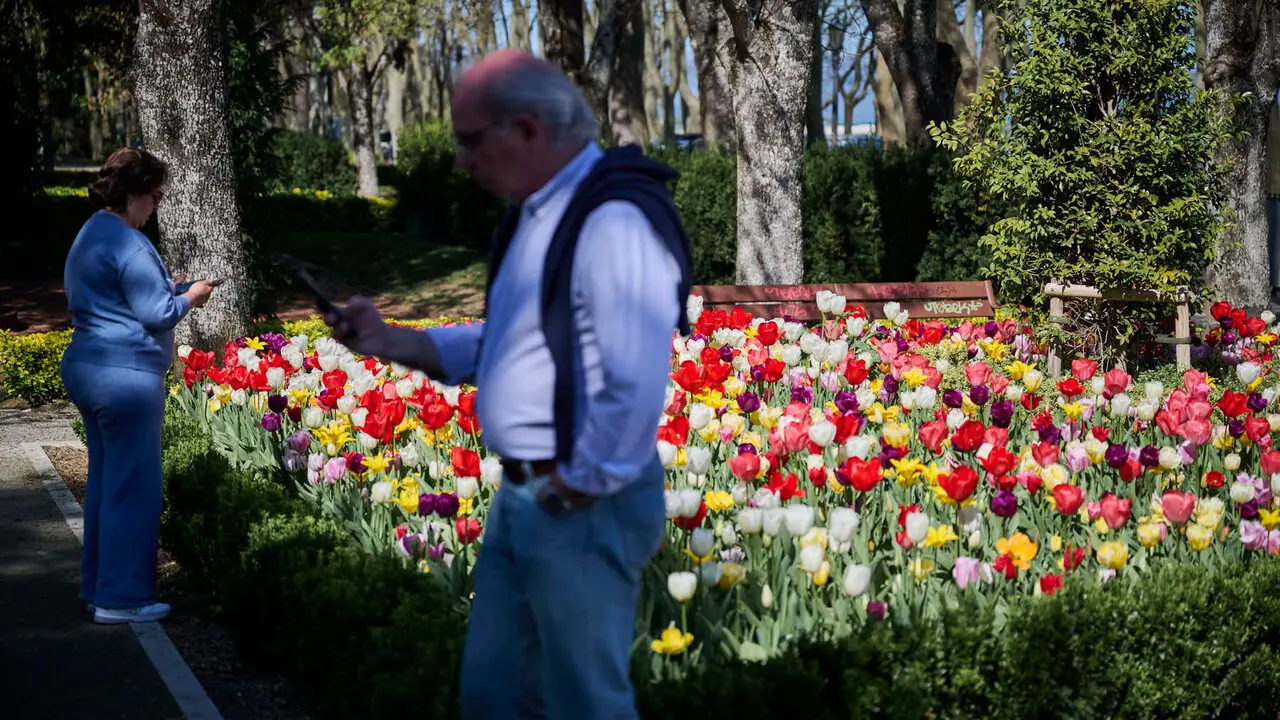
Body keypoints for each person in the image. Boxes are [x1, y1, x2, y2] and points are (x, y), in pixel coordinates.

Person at [325, 49, 694, 718]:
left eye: (470, 141)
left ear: (527, 130)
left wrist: (576, 487)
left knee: (585, 703)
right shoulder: (538, 212)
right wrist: (391, 340)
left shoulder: (612, 219)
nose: (461, 162)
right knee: (496, 697)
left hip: (580, 499)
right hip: (529, 494)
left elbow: (634, 378)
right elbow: (515, 341)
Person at [60, 147, 220, 624]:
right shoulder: (130, 242)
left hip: (89, 366)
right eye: (154, 195)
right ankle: (124, 598)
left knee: (108, 483)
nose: (158, 204)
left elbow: (114, 296)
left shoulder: (93, 231)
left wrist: (168, 288)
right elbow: (155, 314)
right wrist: (191, 296)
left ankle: (100, 586)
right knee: (134, 487)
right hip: (125, 377)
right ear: (132, 192)